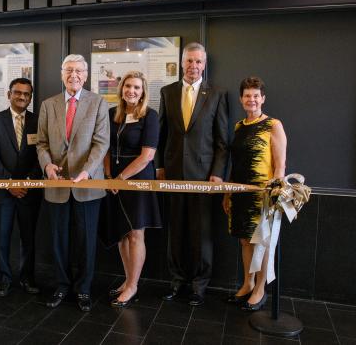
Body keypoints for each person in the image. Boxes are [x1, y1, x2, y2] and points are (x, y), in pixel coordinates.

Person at [157, 42, 229, 306]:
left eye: (198, 61)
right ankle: (176, 281)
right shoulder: (167, 92)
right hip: (173, 173)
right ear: (182, 62)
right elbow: (162, 134)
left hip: (204, 177)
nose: (193, 66)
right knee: (175, 230)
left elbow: (223, 140)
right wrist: (160, 167)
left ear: (204, 63)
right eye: (189, 61)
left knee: (202, 233)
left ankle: (199, 286)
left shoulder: (218, 93)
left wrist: (218, 174)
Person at [37, 54, 109, 312]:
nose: (74, 75)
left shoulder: (98, 102)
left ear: (86, 75)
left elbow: (102, 143)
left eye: (79, 71)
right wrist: (47, 165)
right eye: (69, 70)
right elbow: (42, 142)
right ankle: (61, 285)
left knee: (86, 241)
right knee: (58, 240)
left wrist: (87, 172)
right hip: (56, 186)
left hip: (87, 187)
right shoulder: (48, 105)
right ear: (61, 74)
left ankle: (84, 289)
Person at [222, 77, 287, 311]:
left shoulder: (273, 125)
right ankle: (247, 284)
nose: (252, 99)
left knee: (262, 242)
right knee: (244, 240)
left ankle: (260, 289)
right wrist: (228, 193)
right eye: (247, 95)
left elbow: (280, 165)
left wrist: (275, 191)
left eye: (256, 95)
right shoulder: (239, 126)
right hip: (239, 191)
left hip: (262, 194)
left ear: (263, 99)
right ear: (241, 99)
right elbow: (235, 163)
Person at [102, 71, 162, 308]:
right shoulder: (111, 114)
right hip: (115, 180)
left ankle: (133, 286)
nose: (132, 91)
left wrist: (120, 178)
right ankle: (127, 280)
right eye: (128, 86)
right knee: (122, 234)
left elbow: (147, 156)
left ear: (143, 91)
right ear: (121, 89)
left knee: (136, 234)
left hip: (137, 180)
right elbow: (106, 148)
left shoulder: (150, 116)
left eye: (137, 87)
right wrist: (109, 177)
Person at [0, 78, 42, 297]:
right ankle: (3, 278)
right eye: (17, 93)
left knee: (28, 238)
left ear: (30, 97)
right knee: (2, 237)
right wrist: (9, 183)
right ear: (9, 94)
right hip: (2, 191)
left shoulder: (38, 121)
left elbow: (42, 154)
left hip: (29, 191)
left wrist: (26, 181)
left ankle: (27, 277)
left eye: (27, 94)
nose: (22, 97)